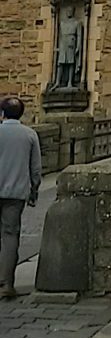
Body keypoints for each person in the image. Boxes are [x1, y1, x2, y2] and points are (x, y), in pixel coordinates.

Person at [0, 96, 42, 300]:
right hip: (16, 193)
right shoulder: (30, 135)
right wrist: (34, 192)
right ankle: (7, 283)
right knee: (10, 236)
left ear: (2, 113)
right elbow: (35, 169)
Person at [56, 5, 83, 88]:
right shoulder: (62, 23)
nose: (69, 12)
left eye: (70, 10)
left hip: (71, 43)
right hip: (63, 43)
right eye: (68, 10)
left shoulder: (77, 23)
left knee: (71, 63)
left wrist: (78, 46)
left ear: (73, 11)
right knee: (61, 63)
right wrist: (57, 46)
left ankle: (70, 82)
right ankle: (57, 82)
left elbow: (79, 35)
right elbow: (59, 35)